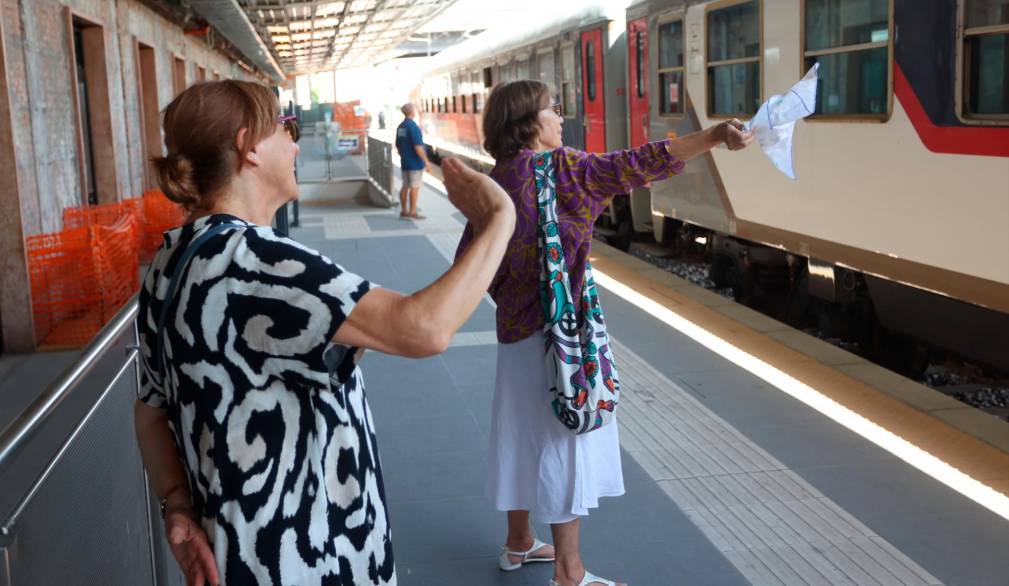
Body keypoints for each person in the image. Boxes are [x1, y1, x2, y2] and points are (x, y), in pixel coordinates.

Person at [133, 80, 515, 586]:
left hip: (236, 550)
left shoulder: (172, 259)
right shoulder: (259, 264)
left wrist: (176, 503)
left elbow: (150, 412)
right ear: (249, 148)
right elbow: (423, 329)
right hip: (306, 557)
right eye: (285, 130)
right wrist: (500, 220)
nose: (295, 144)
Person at [455, 80, 752, 586]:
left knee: (519, 432)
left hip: (515, 333)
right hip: (562, 337)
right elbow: (642, 161)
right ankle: (570, 572)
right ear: (530, 122)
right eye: (553, 110)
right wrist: (714, 136)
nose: (561, 119)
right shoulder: (568, 171)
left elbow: (470, 263)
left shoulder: (495, 182)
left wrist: (516, 293)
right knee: (560, 441)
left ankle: (518, 541)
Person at [394, 103, 432, 220]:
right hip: (415, 164)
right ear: (412, 112)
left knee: (405, 186)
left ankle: (404, 211)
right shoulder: (413, 127)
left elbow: (398, 145)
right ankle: (413, 211)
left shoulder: (401, 126)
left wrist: (404, 156)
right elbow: (418, 147)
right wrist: (426, 161)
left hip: (405, 162)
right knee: (414, 187)